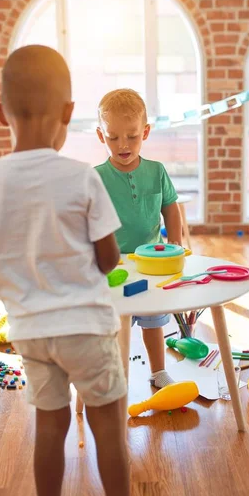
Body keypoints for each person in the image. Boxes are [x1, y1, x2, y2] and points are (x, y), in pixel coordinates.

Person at [0, 46, 140, 496]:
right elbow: (108, 259)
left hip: (30, 331)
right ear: (68, 114)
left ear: (1, 113)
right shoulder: (81, 177)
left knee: (49, 426)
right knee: (107, 426)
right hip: (85, 326)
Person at [95, 89, 183, 389]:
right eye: (113, 137)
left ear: (145, 132)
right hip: (112, 266)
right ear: (100, 136)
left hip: (151, 264)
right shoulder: (95, 177)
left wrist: (177, 245)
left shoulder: (157, 171)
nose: (123, 145)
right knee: (112, 326)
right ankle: (109, 374)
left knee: (153, 322)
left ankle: (158, 372)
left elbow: (170, 208)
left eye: (132, 136)